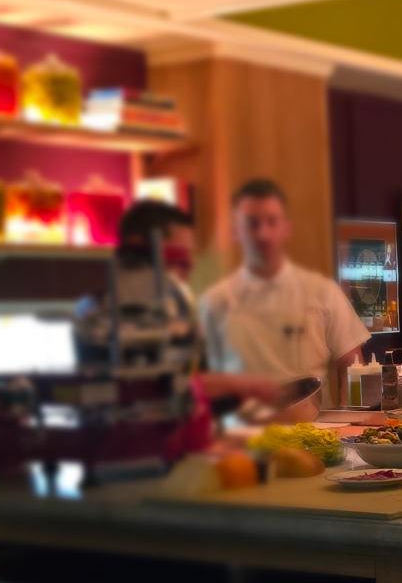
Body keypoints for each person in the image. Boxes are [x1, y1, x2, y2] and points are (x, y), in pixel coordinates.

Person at [73, 199, 316, 440]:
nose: (189, 267)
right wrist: (242, 385)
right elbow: (158, 388)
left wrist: (241, 399)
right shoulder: (103, 311)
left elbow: (195, 391)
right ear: (137, 249)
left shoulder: (172, 311)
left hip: (176, 450)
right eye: (178, 256)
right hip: (125, 459)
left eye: (190, 257)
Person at [200, 179, 371, 404]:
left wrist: (348, 425)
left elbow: (353, 366)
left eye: (272, 222)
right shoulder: (214, 301)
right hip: (244, 435)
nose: (263, 234)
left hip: (314, 434)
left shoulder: (323, 292)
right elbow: (204, 382)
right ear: (235, 231)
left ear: (286, 228)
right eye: (252, 223)